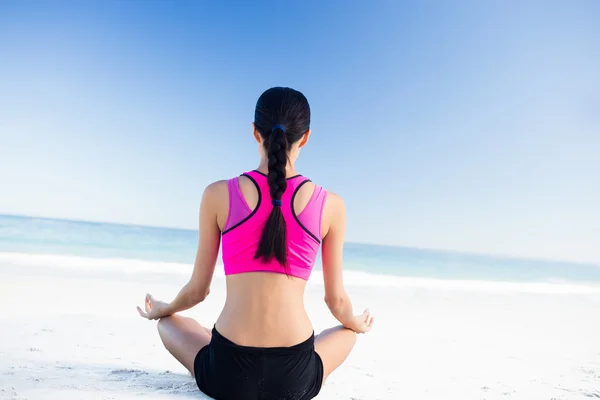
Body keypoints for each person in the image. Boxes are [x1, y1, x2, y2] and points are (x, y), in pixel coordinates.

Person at [137, 86, 374, 400]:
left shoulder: (217, 194)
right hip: (294, 378)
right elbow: (337, 304)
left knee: (168, 324)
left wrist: (163, 310)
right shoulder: (331, 205)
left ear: (254, 132)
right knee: (347, 333)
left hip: (227, 372)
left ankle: (203, 333)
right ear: (305, 138)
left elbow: (198, 291)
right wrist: (356, 322)